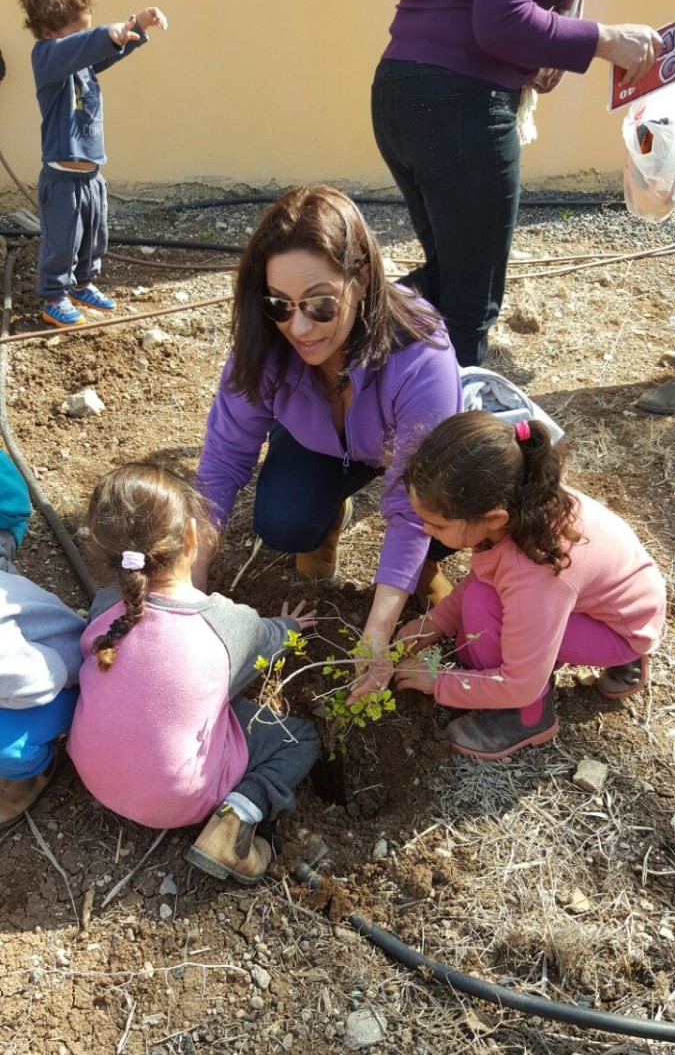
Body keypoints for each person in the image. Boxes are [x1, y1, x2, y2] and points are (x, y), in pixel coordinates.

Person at [195, 185, 464, 699]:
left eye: (320, 304)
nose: (298, 326)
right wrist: (187, 585)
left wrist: (378, 630)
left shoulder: (421, 354)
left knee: (451, 513)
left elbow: (412, 502)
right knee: (283, 521)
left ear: (360, 280)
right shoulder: (265, 344)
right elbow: (223, 461)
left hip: (402, 449)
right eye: (279, 303)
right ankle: (326, 523)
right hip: (319, 443)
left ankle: (423, 566)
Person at [371, 0, 664, 366]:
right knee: (468, 304)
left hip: (406, 87)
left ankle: (335, 336)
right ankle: (446, 415)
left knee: (450, 278)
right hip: (459, 100)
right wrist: (606, 39)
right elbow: (502, 21)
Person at [67, 462, 320, 884]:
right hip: (178, 803)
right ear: (190, 535)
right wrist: (291, 627)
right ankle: (238, 818)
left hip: (92, 772)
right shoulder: (225, 622)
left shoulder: (104, 608)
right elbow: (271, 640)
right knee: (300, 738)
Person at [392, 414, 666, 760]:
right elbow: (485, 573)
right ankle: (624, 654)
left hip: (621, 628)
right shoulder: (524, 501)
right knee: (473, 627)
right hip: (623, 603)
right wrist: (437, 622)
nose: (427, 532)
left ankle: (528, 715)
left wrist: (439, 682)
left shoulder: (536, 570)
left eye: (437, 525)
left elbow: (520, 681)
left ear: (493, 518)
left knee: (480, 618)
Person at [18, 0, 167, 328]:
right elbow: (84, 46)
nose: (85, 40)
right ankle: (55, 296)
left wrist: (137, 24)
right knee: (62, 241)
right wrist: (102, 34)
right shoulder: (47, 58)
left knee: (93, 235)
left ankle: (81, 284)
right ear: (50, 30)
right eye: (78, 31)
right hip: (62, 177)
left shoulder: (81, 61)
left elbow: (103, 51)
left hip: (90, 172)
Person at [0, 452, 84, 827]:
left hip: (62, 672)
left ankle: (32, 766)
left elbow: (45, 676)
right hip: (22, 667)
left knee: (8, 750)